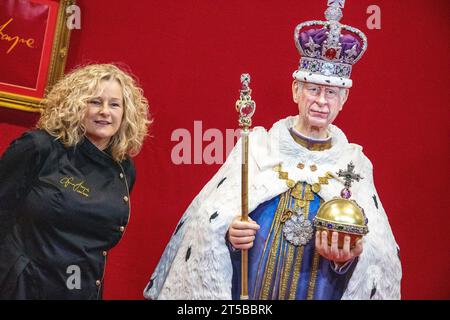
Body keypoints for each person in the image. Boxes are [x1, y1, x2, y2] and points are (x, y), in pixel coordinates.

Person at [144, 0, 401, 300]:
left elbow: (377, 252)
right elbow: (207, 219)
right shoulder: (257, 147)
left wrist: (350, 254)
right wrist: (228, 233)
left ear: (343, 99)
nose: (321, 101)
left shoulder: (354, 164)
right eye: (313, 89)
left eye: (331, 92)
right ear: (295, 90)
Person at [0, 64, 151, 299]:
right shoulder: (38, 147)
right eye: (95, 102)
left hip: (80, 290)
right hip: (22, 286)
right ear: (74, 105)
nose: (105, 111)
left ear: (125, 113)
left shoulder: (124, 168)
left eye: (114, 104)